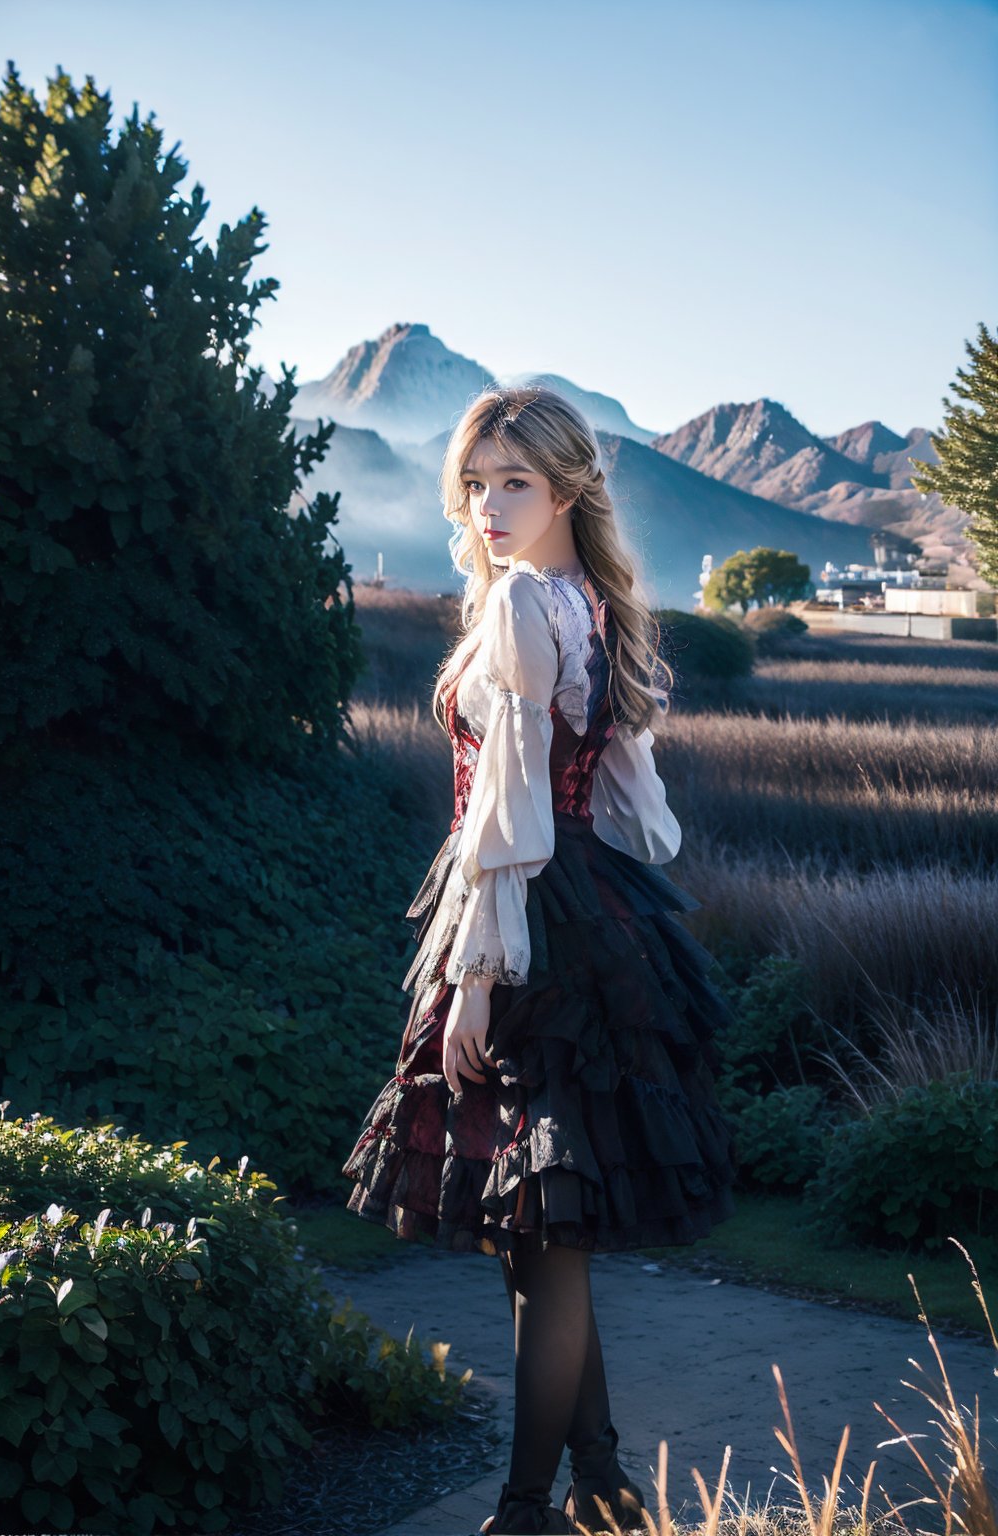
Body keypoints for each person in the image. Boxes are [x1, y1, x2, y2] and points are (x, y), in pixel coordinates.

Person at [341, 383, 740, 1536]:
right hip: (579, 911)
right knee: (542, 1236)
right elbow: (613, 803)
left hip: (526, 924)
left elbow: (507, 817)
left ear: (568, 485)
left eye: (513, 480)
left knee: (539, 1241)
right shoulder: (589, 605)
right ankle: (601, 1479)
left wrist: (472, 983)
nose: (488, 505)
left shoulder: (527, 604)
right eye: (474, 483)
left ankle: (523, 1513)